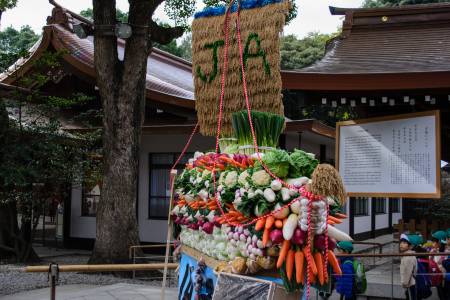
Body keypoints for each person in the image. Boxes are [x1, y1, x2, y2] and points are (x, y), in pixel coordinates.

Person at [400, 234, 419, 300]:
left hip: (410, 284)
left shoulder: (408, 257)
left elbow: (407, 272)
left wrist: (404, 283)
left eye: (404, 243)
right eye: (401, 242)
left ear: (410, 246)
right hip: (412, 283)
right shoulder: (409, 255)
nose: (401, 244)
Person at [430, 230, 447, 300]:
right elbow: (430, 260)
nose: (432, 244)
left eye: (434, 242)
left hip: (444, 274)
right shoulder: (433, 250)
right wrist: (432, 254)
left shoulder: (446, 251)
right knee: (440, 291)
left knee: (444, 291)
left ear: (439, 242)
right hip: (437, 274)